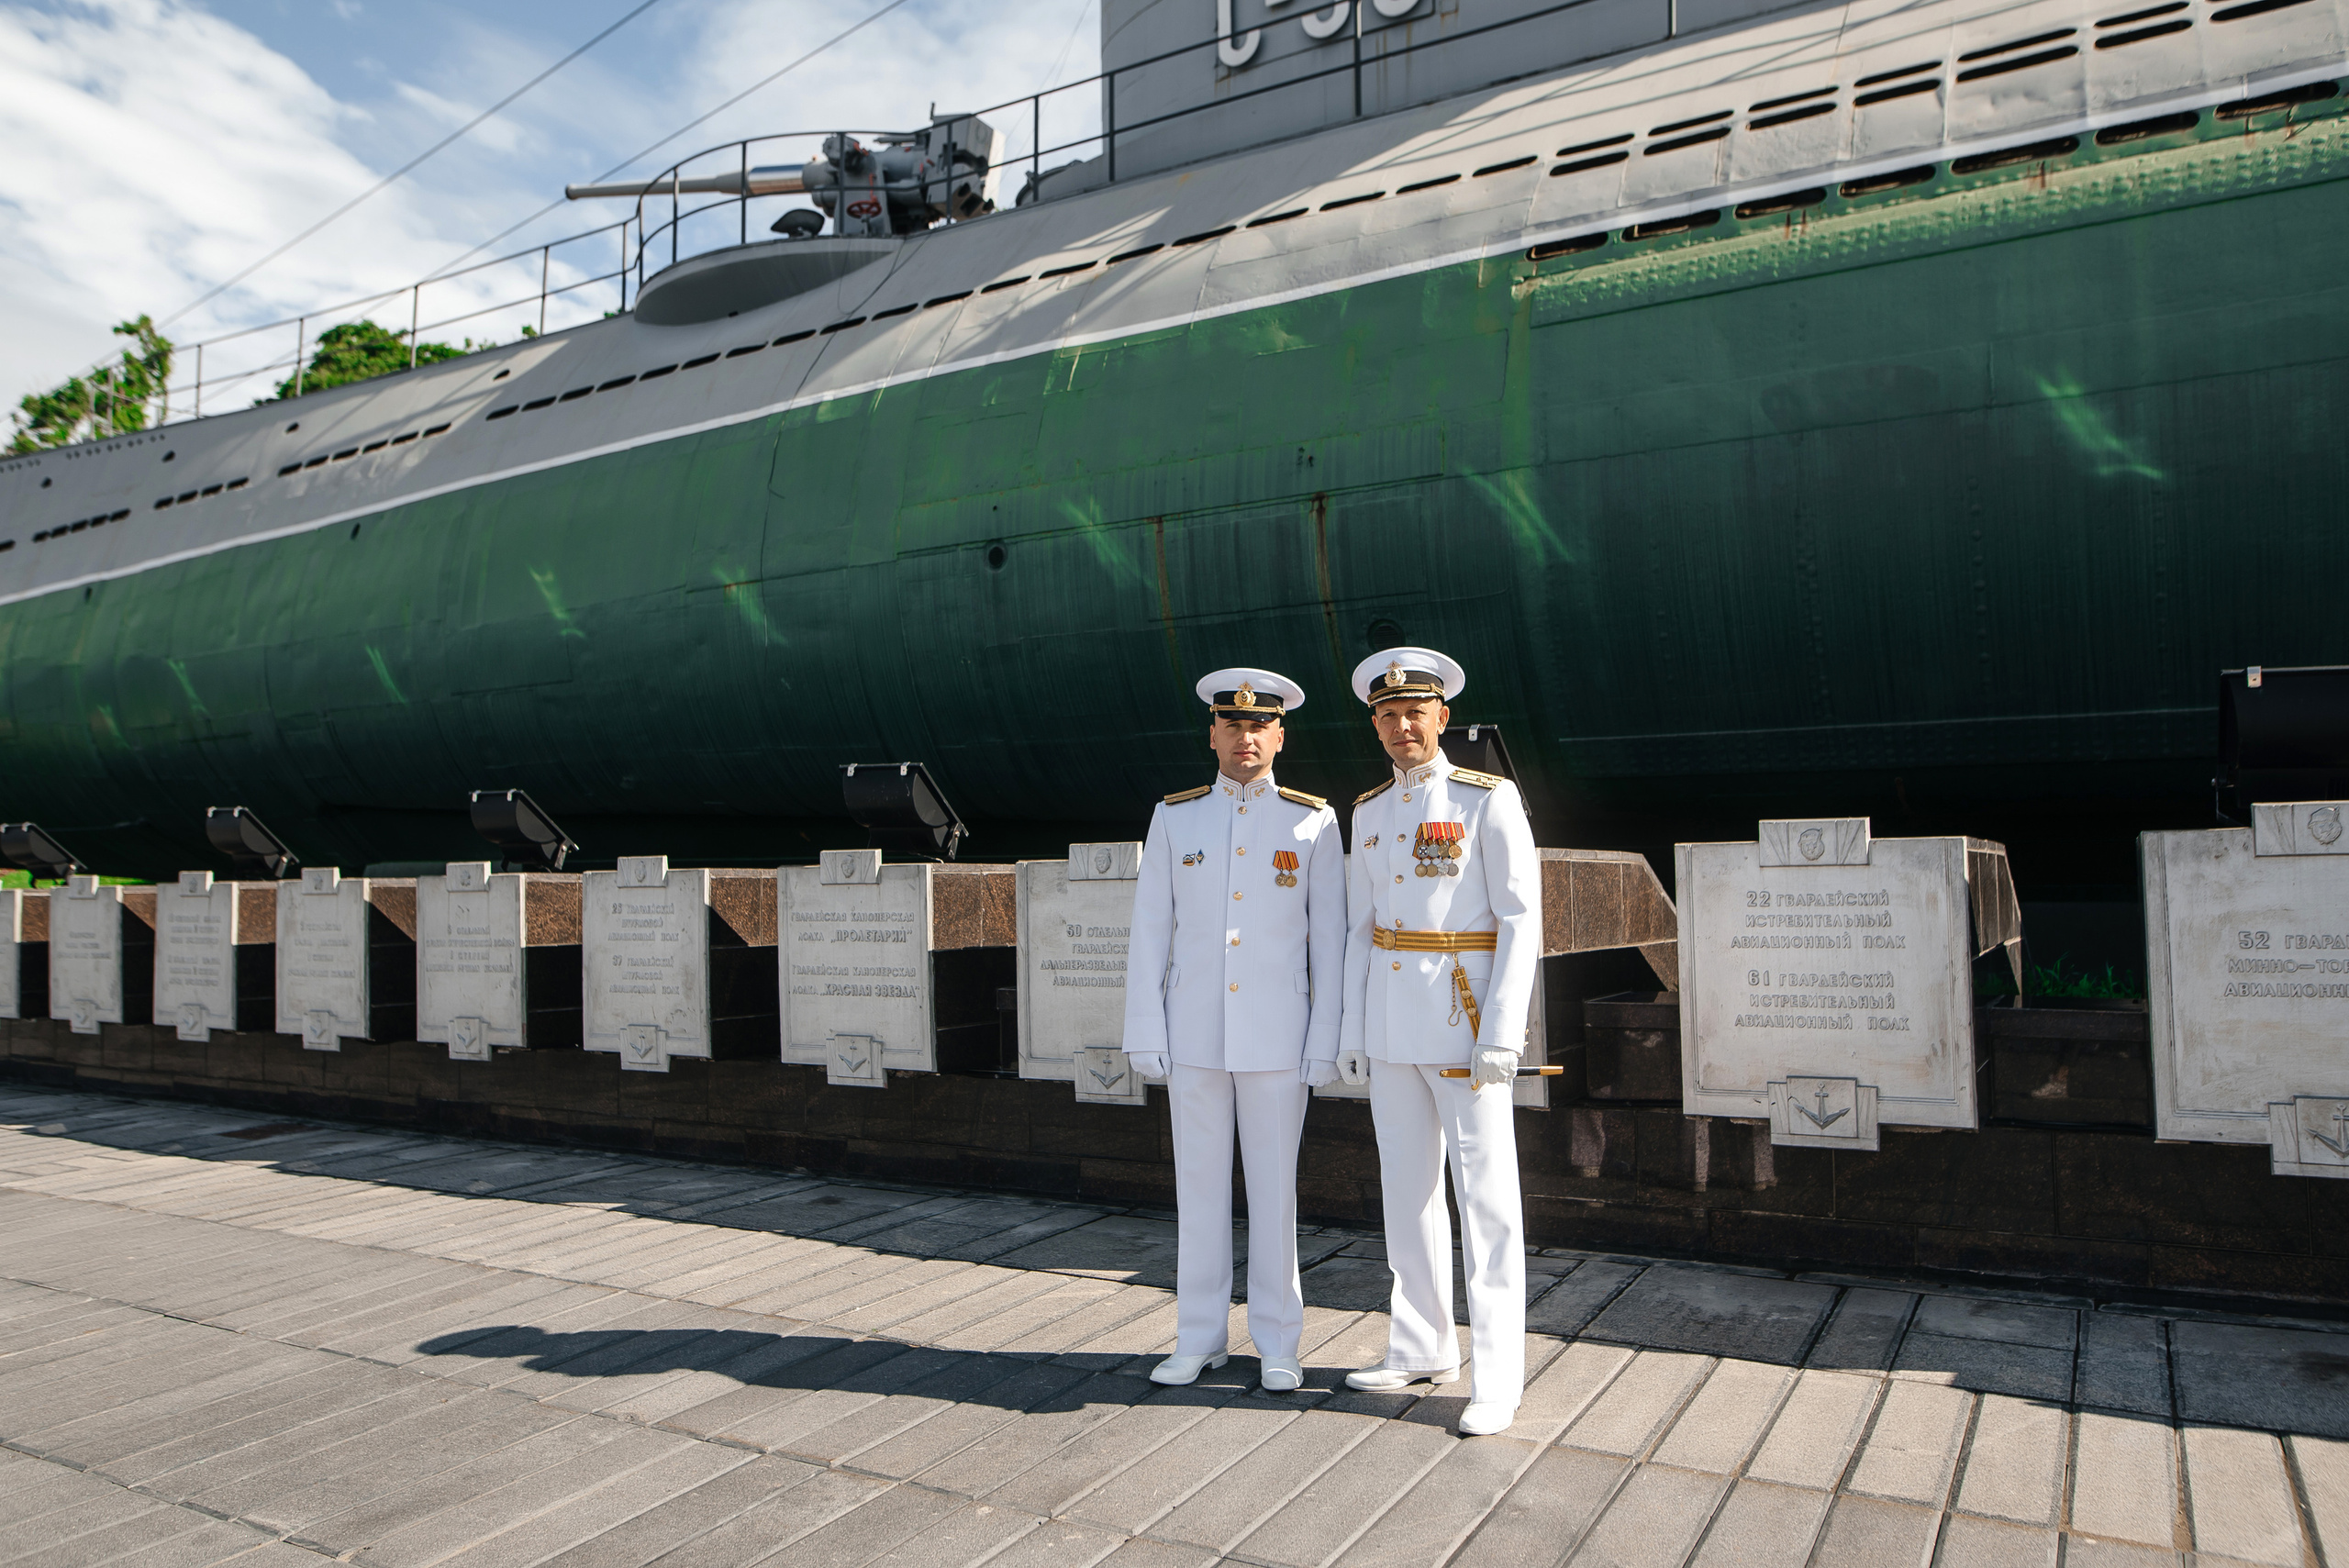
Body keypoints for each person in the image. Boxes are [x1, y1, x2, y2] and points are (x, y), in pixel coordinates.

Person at [1123, 667, 1344, 1392]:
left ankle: (1280, 1341)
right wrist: (1143, 1028)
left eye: (1259, 726)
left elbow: (1330, 944)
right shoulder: (1174, 817)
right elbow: (1150, 932)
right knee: (1199, 1191)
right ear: (1211, 733)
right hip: (1194, 1035)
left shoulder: (1312, 820)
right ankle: (1199, 1336)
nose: (1245, 737)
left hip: (1279, 1039)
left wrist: (1325, 1041)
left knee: (1277, 1195)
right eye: (1232, 724)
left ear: (1280, 735)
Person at [1336, 647, 1538, 1436]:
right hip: (1391, 1023)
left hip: (1464, 1021)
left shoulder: (1489, 799)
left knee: (1486, 1202)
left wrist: (1503, 1029)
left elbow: (1522, 917)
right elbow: (1360, 930)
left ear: (1442, 717)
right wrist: (1352, 1030)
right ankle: (1421, 1343)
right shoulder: (1371, 811)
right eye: (1386, 715)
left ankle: (1497, 1375)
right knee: (1407, 1193)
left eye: (1414, 712)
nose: (1400, 726)